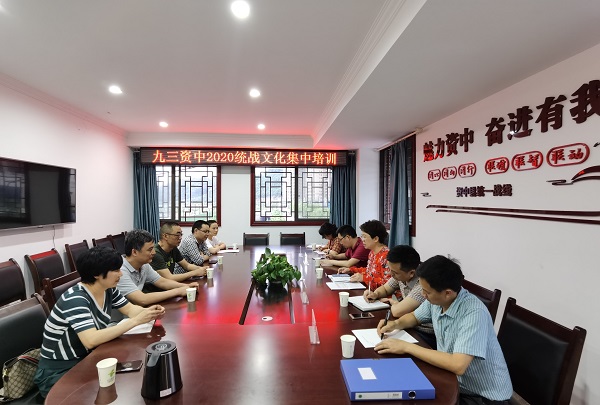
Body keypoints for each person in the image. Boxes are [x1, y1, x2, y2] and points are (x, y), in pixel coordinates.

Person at [375, 256, 512, 405]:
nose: (423, 295)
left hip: (483, 396)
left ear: (447, 293)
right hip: (452, 379)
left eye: (427, 292)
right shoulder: (437, 300)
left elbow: (458, 365)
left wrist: (406, 347)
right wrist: (395, 324)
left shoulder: (474, 313)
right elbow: (415, 317)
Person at [34, 246, 166, 398]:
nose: (121, 274)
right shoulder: (75, 299)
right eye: (116, 270)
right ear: (96, 274)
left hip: (87, 359)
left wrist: (149, 312)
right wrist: (136, 321)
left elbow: (130, 309)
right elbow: (91, 340)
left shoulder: (108, 289)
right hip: (59, 372)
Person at [363, 245, 436, 348]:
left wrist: (395, 303)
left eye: (394, 272)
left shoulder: (422, 285)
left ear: (411, 273)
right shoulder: (400, 275)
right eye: (390, 270)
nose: (391, 274)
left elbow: (398, 311)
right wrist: (375, 294)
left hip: (425, 334)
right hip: (408, 324)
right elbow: (385, 289)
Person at [118, 229, 200, 306]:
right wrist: (178, 291)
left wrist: (185, 286)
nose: (154, 252)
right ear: (134, 252)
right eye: (150, 249)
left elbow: (162, 282)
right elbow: (142, 299)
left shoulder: (144, 265)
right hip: (122, 315)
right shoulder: (120, 271)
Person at [339, 220, 390, 290]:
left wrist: (364, 278)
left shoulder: (387, 256)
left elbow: (387, 284)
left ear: (375, 239)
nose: (362, 240)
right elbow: (369, 271)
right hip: (370, 290)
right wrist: (351, 270)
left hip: (380, 294)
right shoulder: (372, 252)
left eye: (364, 236)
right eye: (362, 236)